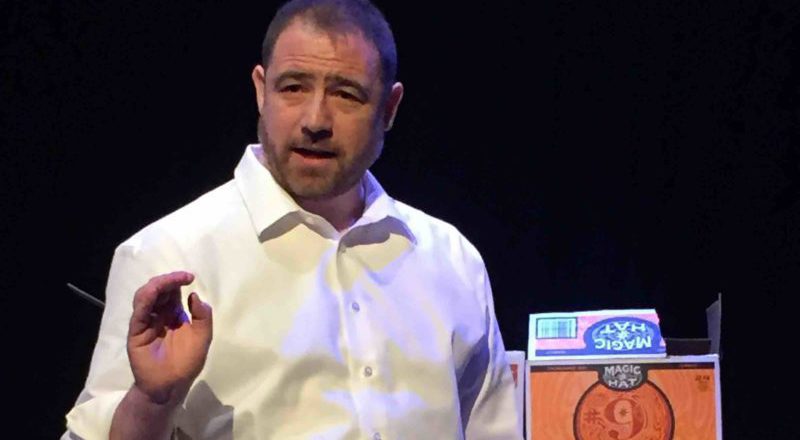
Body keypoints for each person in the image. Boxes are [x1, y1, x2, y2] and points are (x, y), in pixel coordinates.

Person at [63, 0, 521, 438]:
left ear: (389, 109)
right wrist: (153, 400)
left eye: (346, 94)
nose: (315, 120)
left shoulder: (451, 259)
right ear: (261, 90)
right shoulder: (166, 255)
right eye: (294, 87)